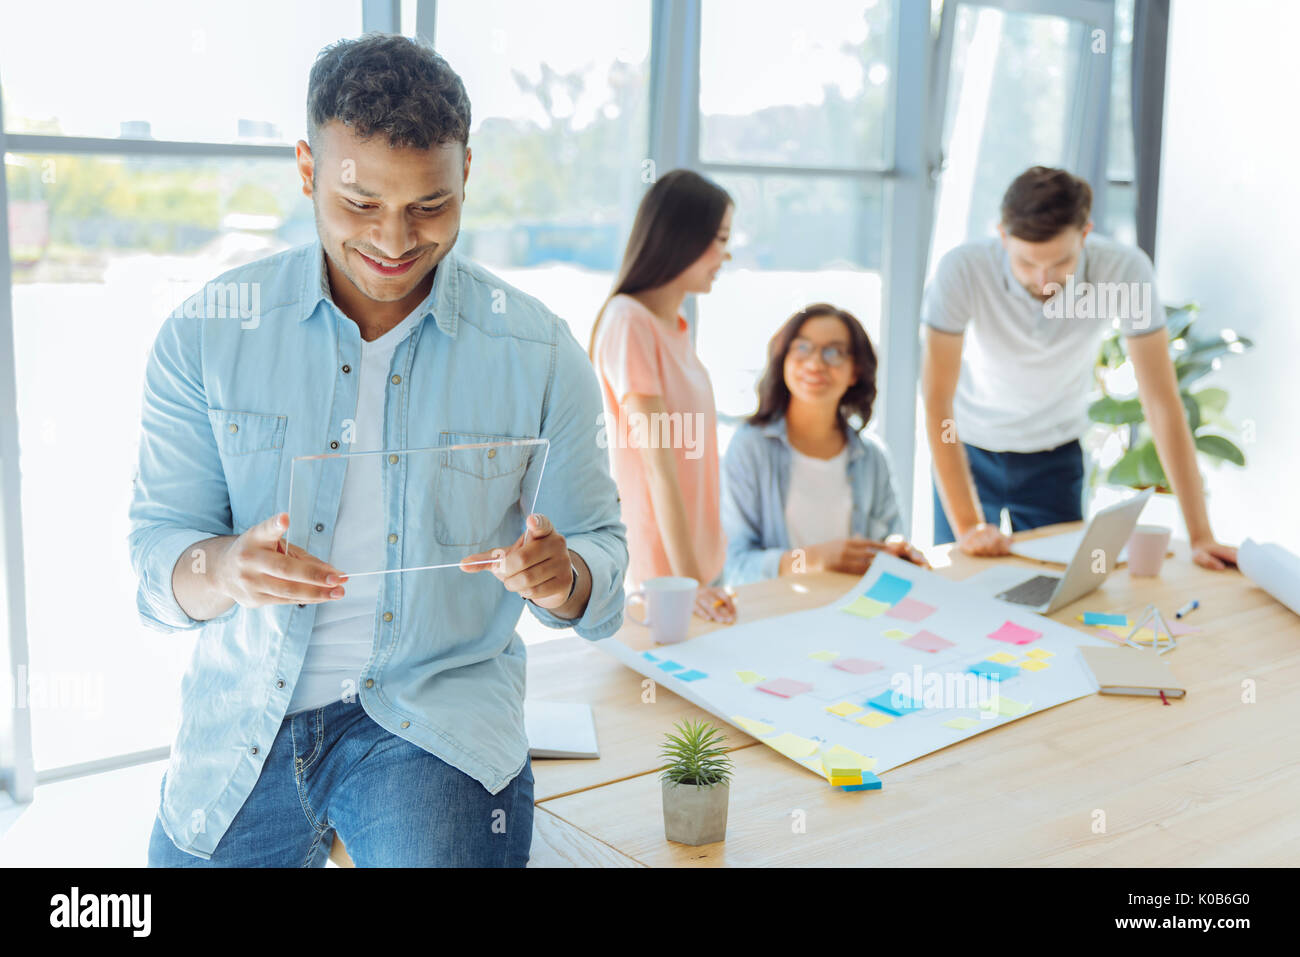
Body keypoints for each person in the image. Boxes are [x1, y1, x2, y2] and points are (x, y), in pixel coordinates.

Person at [129, 34, 627, 868]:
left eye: (429, 206)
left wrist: (562, 575)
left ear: (467, 170)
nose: (394, 240)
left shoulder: (539, 351)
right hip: (244, 722)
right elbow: (154, 563)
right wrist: (224, 569)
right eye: (360, 204)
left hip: (434, 723)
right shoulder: (206, 334)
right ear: (306, 169)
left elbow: (602, 568)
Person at [922, 166, 1237, 570]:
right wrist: (967, 527)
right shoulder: (961, 269)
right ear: (1002, 236)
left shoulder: (1124, 271)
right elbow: (937, 401)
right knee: (960, 584)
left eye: (1060, 262)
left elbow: (1160, 400)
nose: (1044, 279)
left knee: (1056, 590)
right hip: (968, 449)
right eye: (1027, 262)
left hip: (1055, 458)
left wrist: (1201, 535)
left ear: (1085, 234)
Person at [589, 169, 737, 624]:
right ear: (682, 238)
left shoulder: (676, 327)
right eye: (720, 239)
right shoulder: (629, 323)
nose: (725, 255)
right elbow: (658, 466)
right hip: (666, 577)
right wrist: (689, 582)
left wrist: (703, 577)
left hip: (701, 566)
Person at [722, 304, 926, 585]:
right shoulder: (750, 446)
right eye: (802, 348)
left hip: (851, 611)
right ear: (784, 359)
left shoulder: (872, 455)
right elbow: (735, 565)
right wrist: (811, 559)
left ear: (855, 371)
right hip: (776, 614)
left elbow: (890, 536)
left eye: (834, 352)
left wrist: (895, 548)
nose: (815, 364)